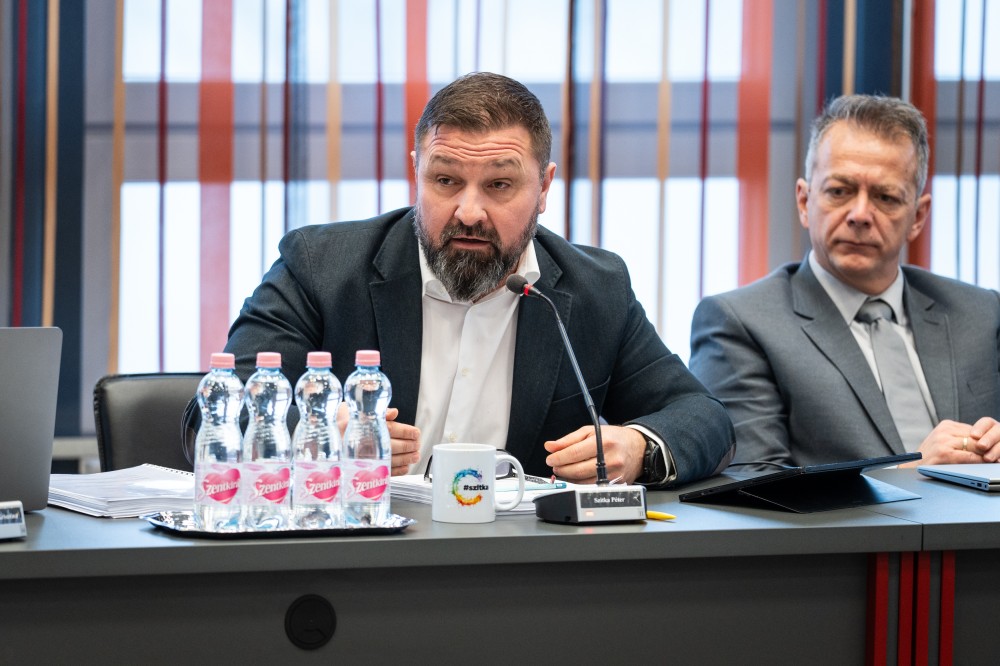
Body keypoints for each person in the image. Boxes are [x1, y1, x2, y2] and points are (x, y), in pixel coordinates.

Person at [222, 72, 734, 487]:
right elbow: (219, 413)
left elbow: (703, 416)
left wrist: (639, 448)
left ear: (544, 188)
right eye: (445, 180)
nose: (469, 211)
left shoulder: (595, 289)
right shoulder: (321, 268)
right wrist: (320, 438)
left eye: (499, 185)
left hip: (514, 567)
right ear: (416, 173)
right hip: (358, 556)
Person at [689, 94, 1000, 470]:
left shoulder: (981, 314)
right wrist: (909, 474)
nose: (860, 214)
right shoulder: (741, 323)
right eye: (839, 191)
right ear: (804, 202)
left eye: (886, 197)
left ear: (918, 217)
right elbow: (751, 484)